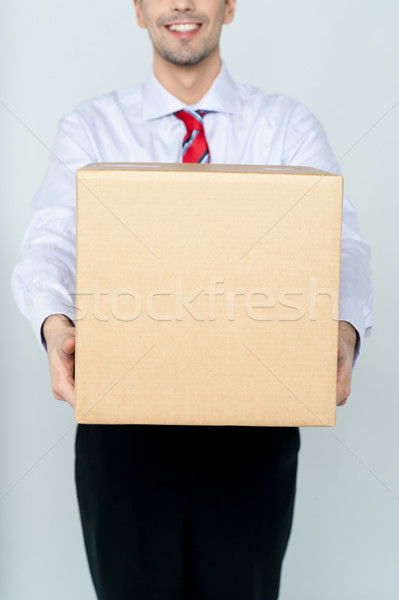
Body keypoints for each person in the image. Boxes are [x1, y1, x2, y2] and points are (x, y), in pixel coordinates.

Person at [12, 1, 373, 598]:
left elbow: (341, 242)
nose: (181, 4)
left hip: (254, 427)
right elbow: (52, 239)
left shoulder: (285, 127)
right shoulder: (90, 127)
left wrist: (342, 329)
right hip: (123, 431)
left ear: (230, 6)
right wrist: (55, 324)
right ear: (137, 10)